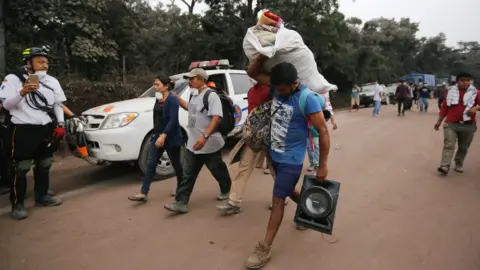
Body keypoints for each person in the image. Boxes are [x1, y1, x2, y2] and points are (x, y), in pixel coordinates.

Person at [244, 62, 330, 269]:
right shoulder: (276, 87)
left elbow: (324, 131)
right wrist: (266, 51)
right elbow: (253, 72)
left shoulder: (307, 99)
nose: (279, 93)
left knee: (278, 199)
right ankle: (312, 209)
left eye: (282, 90)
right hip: (274, 155)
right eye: (276, 89)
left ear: (294, 84)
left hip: (292, 160)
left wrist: (323, 165)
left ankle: (264, 248)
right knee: (289, 190)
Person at [0, 47, 66, 220]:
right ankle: (17, 204)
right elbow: (6, 105)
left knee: (44, 163)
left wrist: (60, 123)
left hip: (45, 128)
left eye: (46, 62)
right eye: (40, 61)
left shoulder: (52, 81)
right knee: (21, 167)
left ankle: (42, 196)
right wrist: (22, 92)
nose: (45, 65)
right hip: (22, 129)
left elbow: (57, 104)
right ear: (28, 63)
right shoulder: (13, 79)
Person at [164, 68, 231, 213]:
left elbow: (216, 118)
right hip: (193, 144)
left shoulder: (211, 96)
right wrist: (174, 97)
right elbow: (190, 109)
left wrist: (204, 137)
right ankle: (181, 203)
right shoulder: (194, 95)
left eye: (192, 79)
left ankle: (227, 188)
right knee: (188, 174)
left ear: (201, 80)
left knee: (217, 169)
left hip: (209, 143)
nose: (189, 81)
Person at [128, 74, 183, 202]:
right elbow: (157, 118)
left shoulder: (173, 100)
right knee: (151, 163)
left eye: (158, 84)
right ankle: (143, 193)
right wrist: (157, 134)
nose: (155, 87)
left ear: (166, 86)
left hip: (172, 137)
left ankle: (182, 187)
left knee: (177, 165)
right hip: (158, 136)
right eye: (154, 84)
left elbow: (173, 120)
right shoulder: (158, 99)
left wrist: (164, 135)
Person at [435, 72, 480, 175]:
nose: (465, 83)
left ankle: (459, 163)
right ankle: (445, 166)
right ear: (457, 81)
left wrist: (476, 107)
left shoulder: (476, 93)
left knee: (463, 147)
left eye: (468, 80)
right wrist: (438, 122)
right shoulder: (450, 92)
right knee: (449, 145)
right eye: (462, 80)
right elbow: (444, 108)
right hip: (451, 124)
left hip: (468, 125)